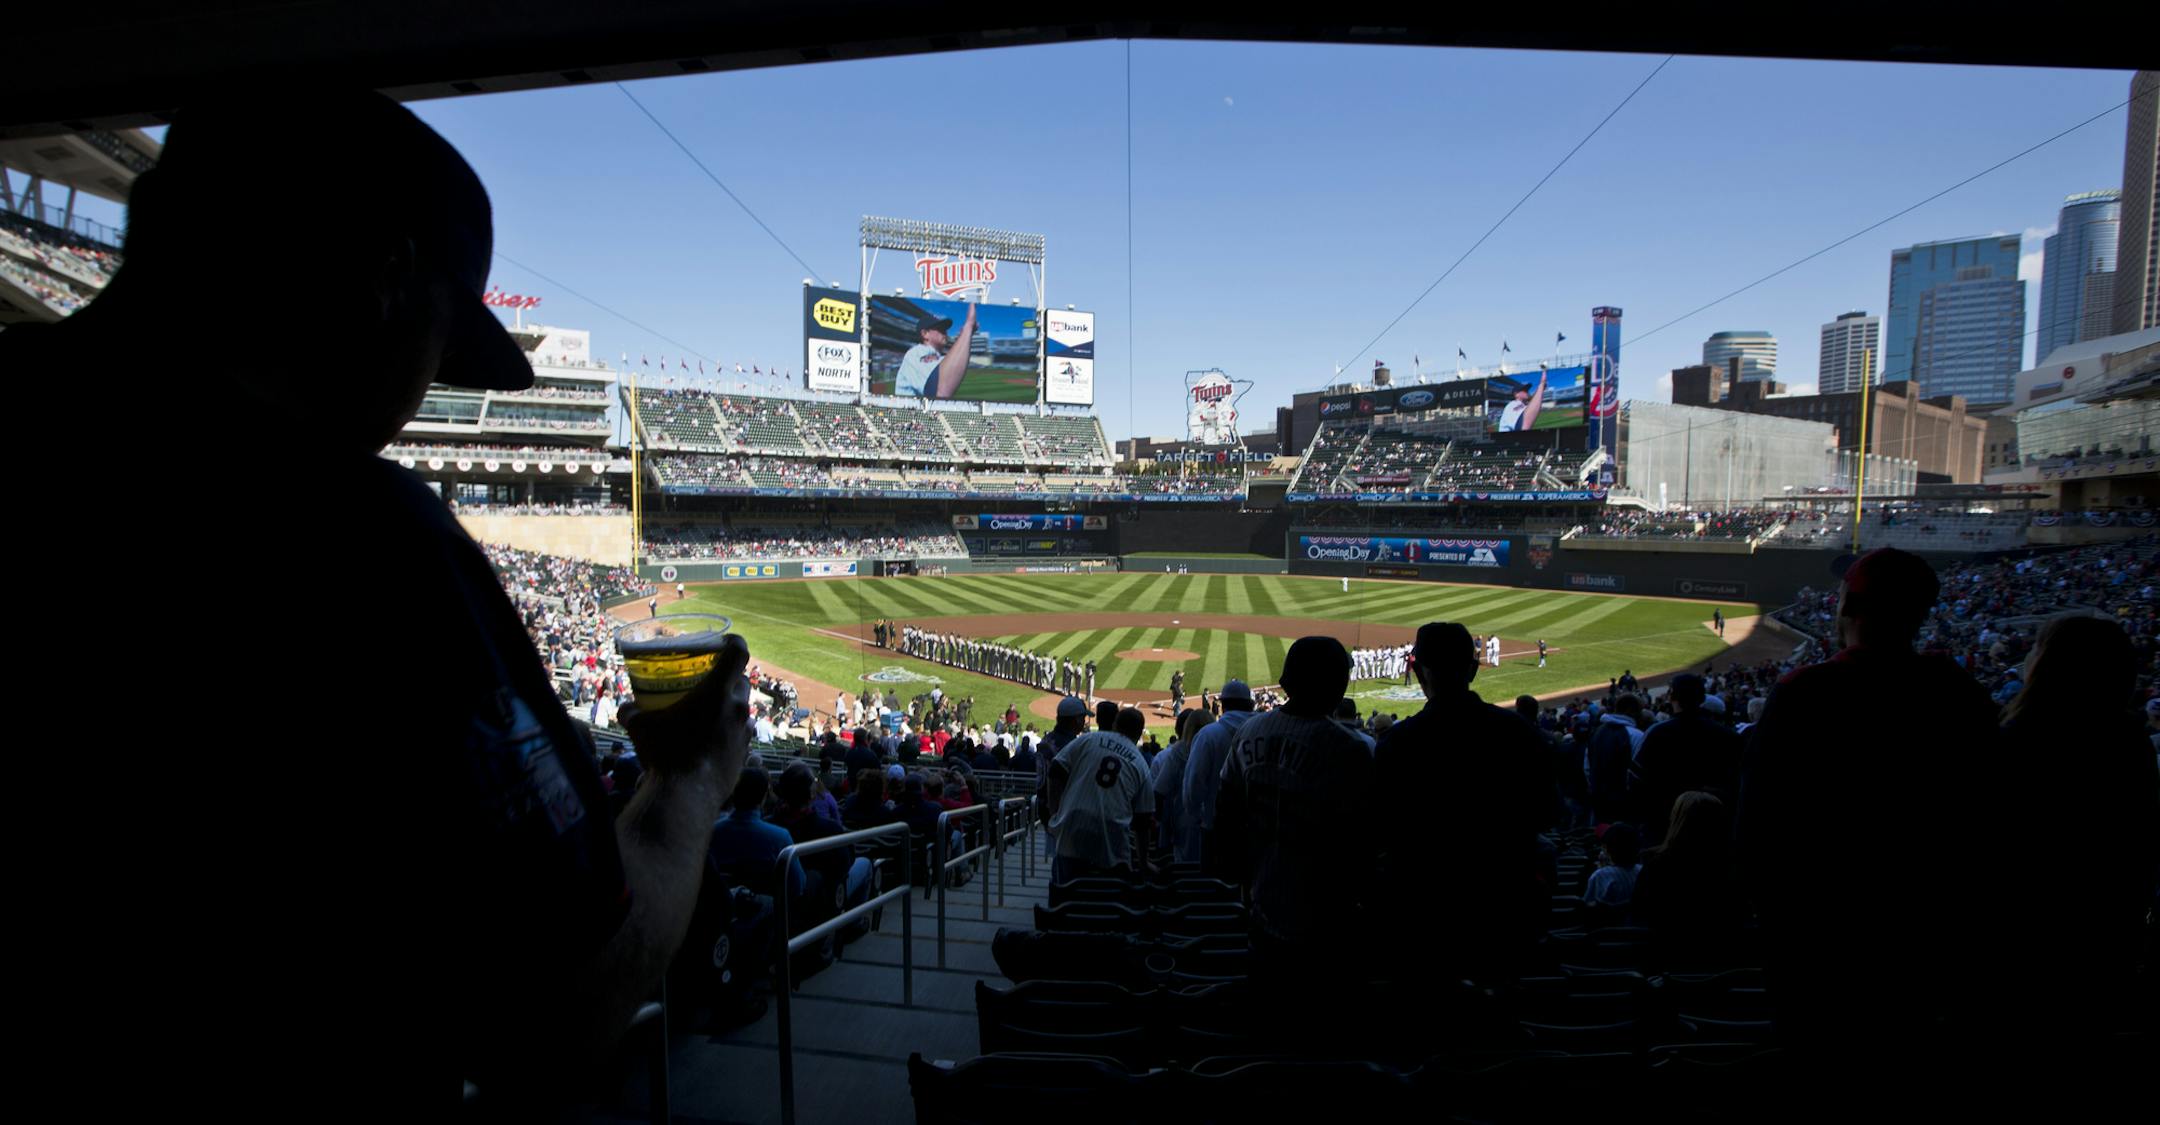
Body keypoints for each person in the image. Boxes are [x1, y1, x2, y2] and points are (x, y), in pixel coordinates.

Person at [0, 91, 769, 1110]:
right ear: (384, 279)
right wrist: (691, 787)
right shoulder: (352, 531)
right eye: (443, 347)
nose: (420, 399)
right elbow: (557, 1011)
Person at [1737, 548, 2005, 1079]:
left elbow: (1757, 827)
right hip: (1927, 935)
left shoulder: (1805, 692)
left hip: (1819, 934)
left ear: (1850, 606)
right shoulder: (1962, 695)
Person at [1997, 615, 2160, 1040]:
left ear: (2047, 664)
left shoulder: (2018, 739)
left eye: (2035, 649)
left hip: (2024, 945)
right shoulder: (2131, 739)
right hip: (2106, 941)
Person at [1372, 623, 1556, 985]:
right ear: (1473, 669)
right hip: (1503, 911)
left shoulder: (1398, 744)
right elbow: (1547, 814)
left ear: (1417, 670)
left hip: (1422, 915)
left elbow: (1381, 833)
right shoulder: (1520, 733)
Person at [1209, 638, 1379, 969]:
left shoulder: (1248, 731)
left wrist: (1240, 876)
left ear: (1286, 682)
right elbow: (1364, 840)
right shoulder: (1350, 748)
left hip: (1260, 905)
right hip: (1326, 922)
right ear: (1338, 684)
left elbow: (1225, 814)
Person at [1046, 707, 1155, 882]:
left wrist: (1055, 812)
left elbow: (1056, 768)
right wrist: (1143, 863)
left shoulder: (1089, 739)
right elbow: (1143, 821)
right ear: (1139, 732)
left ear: (1115, 724)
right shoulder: (1141, 763)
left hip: (1072, 827)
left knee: (1064, 894)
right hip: (1112, 839)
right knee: (1107, 900)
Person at [1632, 673, 1742, 846]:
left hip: (1663, 826)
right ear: (1702, 698)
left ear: (1672, 697)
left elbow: (1636, 781)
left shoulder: (1658, 733)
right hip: (1713, 827)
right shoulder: (1729, 736)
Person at [1179, 680, 1260, 866]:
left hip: (1215, 829)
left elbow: (1193, 787)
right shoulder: (1265, 731)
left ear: (1223, 705)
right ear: (1250, 704)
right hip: (1259, 831)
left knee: (1213, 888)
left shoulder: (1208, 735)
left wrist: (1200, 817)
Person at [894, 301, 977, 399]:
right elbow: (939, 391)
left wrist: (966, 337)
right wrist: (968, 326)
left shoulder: (940, 357)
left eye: (945, 329)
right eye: (940, 328)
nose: (945, 332)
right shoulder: (914, 354)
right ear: (925, 334)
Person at [1586, 693, 1646, 825]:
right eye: (1640, 711)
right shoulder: (1636, 735)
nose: (1642, 714)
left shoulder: (1597, 732)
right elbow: (1639, 775)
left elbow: (1587, 767)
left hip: (1599, 802)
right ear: (1630, 710)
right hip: (1625, 807)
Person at [1580, 822, 1641, 923]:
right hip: (1640, 933)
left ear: (1608, 849)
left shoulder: (1600, 875)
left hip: (1607, 933)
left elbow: (1587, 906)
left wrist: (1603, 870)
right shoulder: (1643, 870)